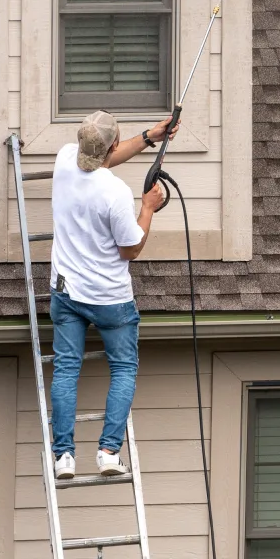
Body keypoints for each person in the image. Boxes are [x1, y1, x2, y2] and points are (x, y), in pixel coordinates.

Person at [48, 110, 178, 480]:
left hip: (67, 292)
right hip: (109, 300)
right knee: (123, 369)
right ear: (113, 145)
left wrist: (151, 137)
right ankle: (107, 453)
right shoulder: (116, 192)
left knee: (66, 370)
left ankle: (64, 458)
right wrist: (148, 209)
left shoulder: (63, 159)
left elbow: (104, 158)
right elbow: (131, 249)